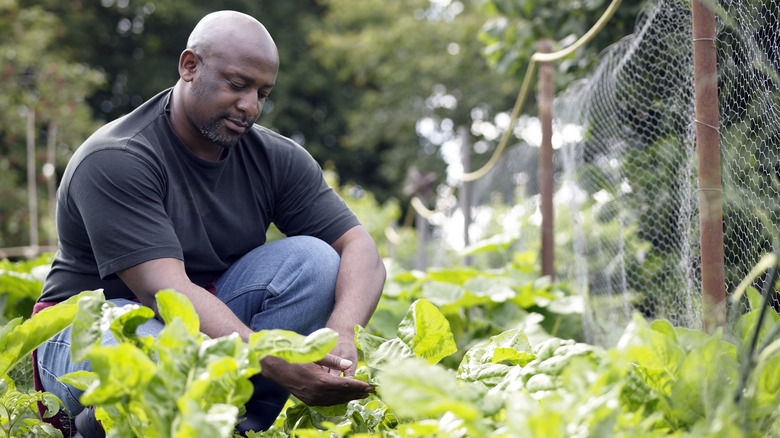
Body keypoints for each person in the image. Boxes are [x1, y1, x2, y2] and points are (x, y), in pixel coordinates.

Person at [34, 10, 386, 435]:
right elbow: (165, 291)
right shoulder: (117, 158)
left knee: (316, 260)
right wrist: (273, 360)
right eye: (237, 85)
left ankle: (234, 425)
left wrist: (342, 333)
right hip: (90, 327)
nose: (250, 106)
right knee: (153, 350)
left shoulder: (274, 158)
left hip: (203, 322)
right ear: (189, 66)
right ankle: (93, 428)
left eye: (262, 93)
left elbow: (360, 248)